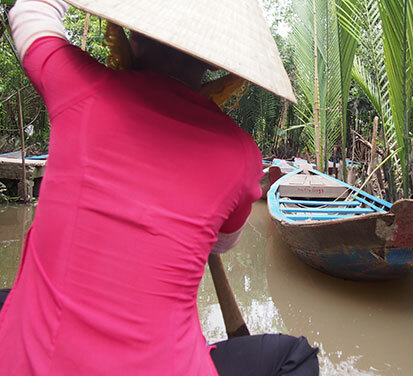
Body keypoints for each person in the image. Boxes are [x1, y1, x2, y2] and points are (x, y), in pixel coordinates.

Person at [0, 0, 318, 374]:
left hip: (33, 361)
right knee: (297, 356)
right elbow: (222, 243)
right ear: (217, 63)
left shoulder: (80, 88)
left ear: (129, 30)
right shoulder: (243, 157)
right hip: (166, 365)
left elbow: (27, 12)